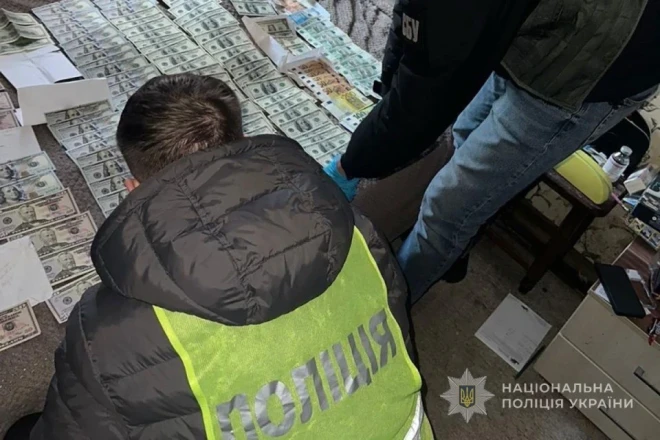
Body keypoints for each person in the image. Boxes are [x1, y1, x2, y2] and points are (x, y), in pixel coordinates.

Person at [29, 74, 432, 440]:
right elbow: (398, 334)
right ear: (241, 144)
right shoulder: (357, 231)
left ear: (133, 189)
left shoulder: (104, 332)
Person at [324, 0, 660, 302]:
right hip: (536, 35)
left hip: (580, 80)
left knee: (448, 206)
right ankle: (449, 252)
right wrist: (389, 78)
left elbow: (423, 92)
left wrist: (350, 165)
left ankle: (382, 308)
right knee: (460, 140)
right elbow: (414, 21)